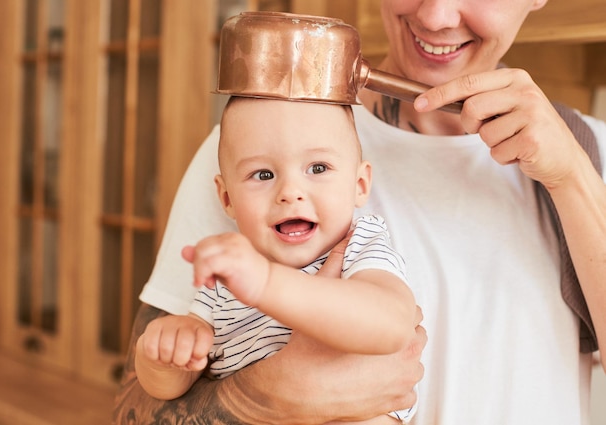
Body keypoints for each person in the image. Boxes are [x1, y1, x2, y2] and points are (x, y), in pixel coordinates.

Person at [113, 0, 606, 423]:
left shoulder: (590, 153)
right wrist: (257, 399)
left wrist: (574, 178)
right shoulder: (255, 146)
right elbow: (132, 407)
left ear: (360, 181)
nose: (435, 16)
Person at [134, 96, 418, 423]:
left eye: (318, 168)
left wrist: (266, 283)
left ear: (359, 184)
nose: (289, 191)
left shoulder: (359, 245)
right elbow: (171, 389)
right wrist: (162, 357)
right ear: (227, 198)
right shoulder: (227, 277)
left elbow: (392, 324)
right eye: (263, 175)